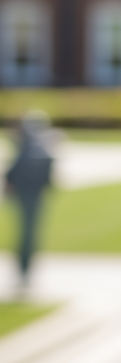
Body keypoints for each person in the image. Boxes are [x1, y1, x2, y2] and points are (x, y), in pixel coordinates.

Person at [4, 111, 54, 292]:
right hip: (32, 196)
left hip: (28, 195)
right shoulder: (39, 144)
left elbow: (13, 171)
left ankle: (24, 272)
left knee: (27, 236)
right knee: (28, 236)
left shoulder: (29, 145)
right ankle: (24, 272)